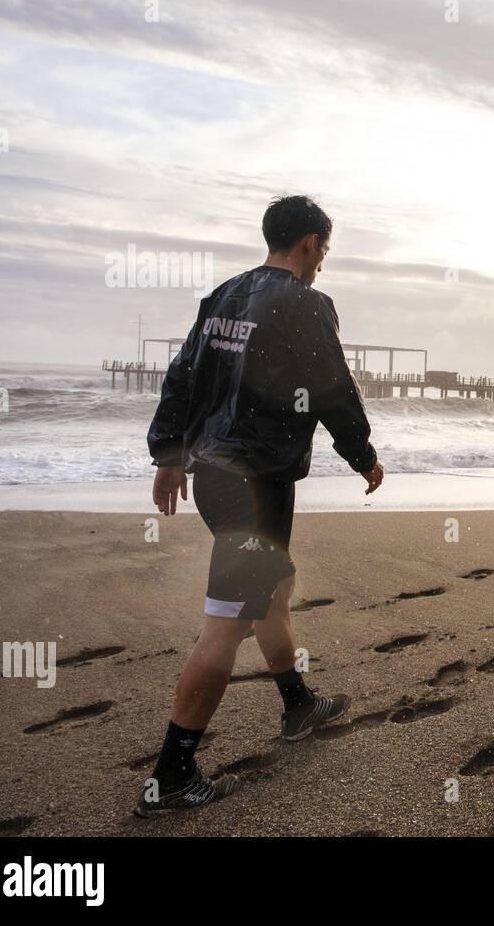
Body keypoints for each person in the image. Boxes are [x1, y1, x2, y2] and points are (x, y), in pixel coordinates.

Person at [137, 196, 385, 817]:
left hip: (215, 470)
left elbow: (183, 375)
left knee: (276, 586)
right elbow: (333, 388)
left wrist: (169, 454)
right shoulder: (307, 304)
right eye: (324, 251)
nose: (322, 263)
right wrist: (362, 456)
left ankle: (297, 703)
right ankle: (172, 772)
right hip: (257, 482)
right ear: (308, 243)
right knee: (227, 622)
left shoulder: (224, 294)